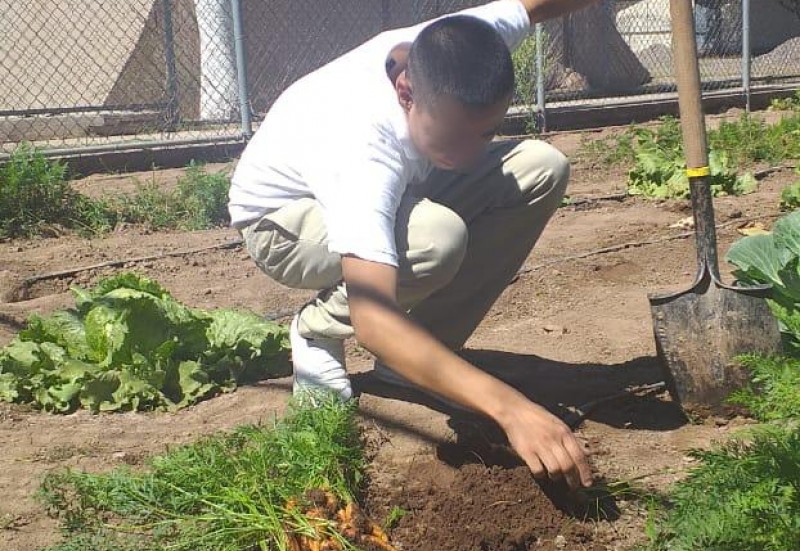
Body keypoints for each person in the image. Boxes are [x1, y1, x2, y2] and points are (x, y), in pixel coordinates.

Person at [229, 0, 599, 489]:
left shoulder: (458, 46)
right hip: (283, 224)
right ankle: (316, 330)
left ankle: (421, 356)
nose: (471, 154)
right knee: (436, 239)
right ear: (406, 92)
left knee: (540, 168)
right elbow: (375, 318)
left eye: (485, 132)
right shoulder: (362, 150)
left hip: (397, 189)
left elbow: (531, 7)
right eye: (452, 135)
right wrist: (510, 408)